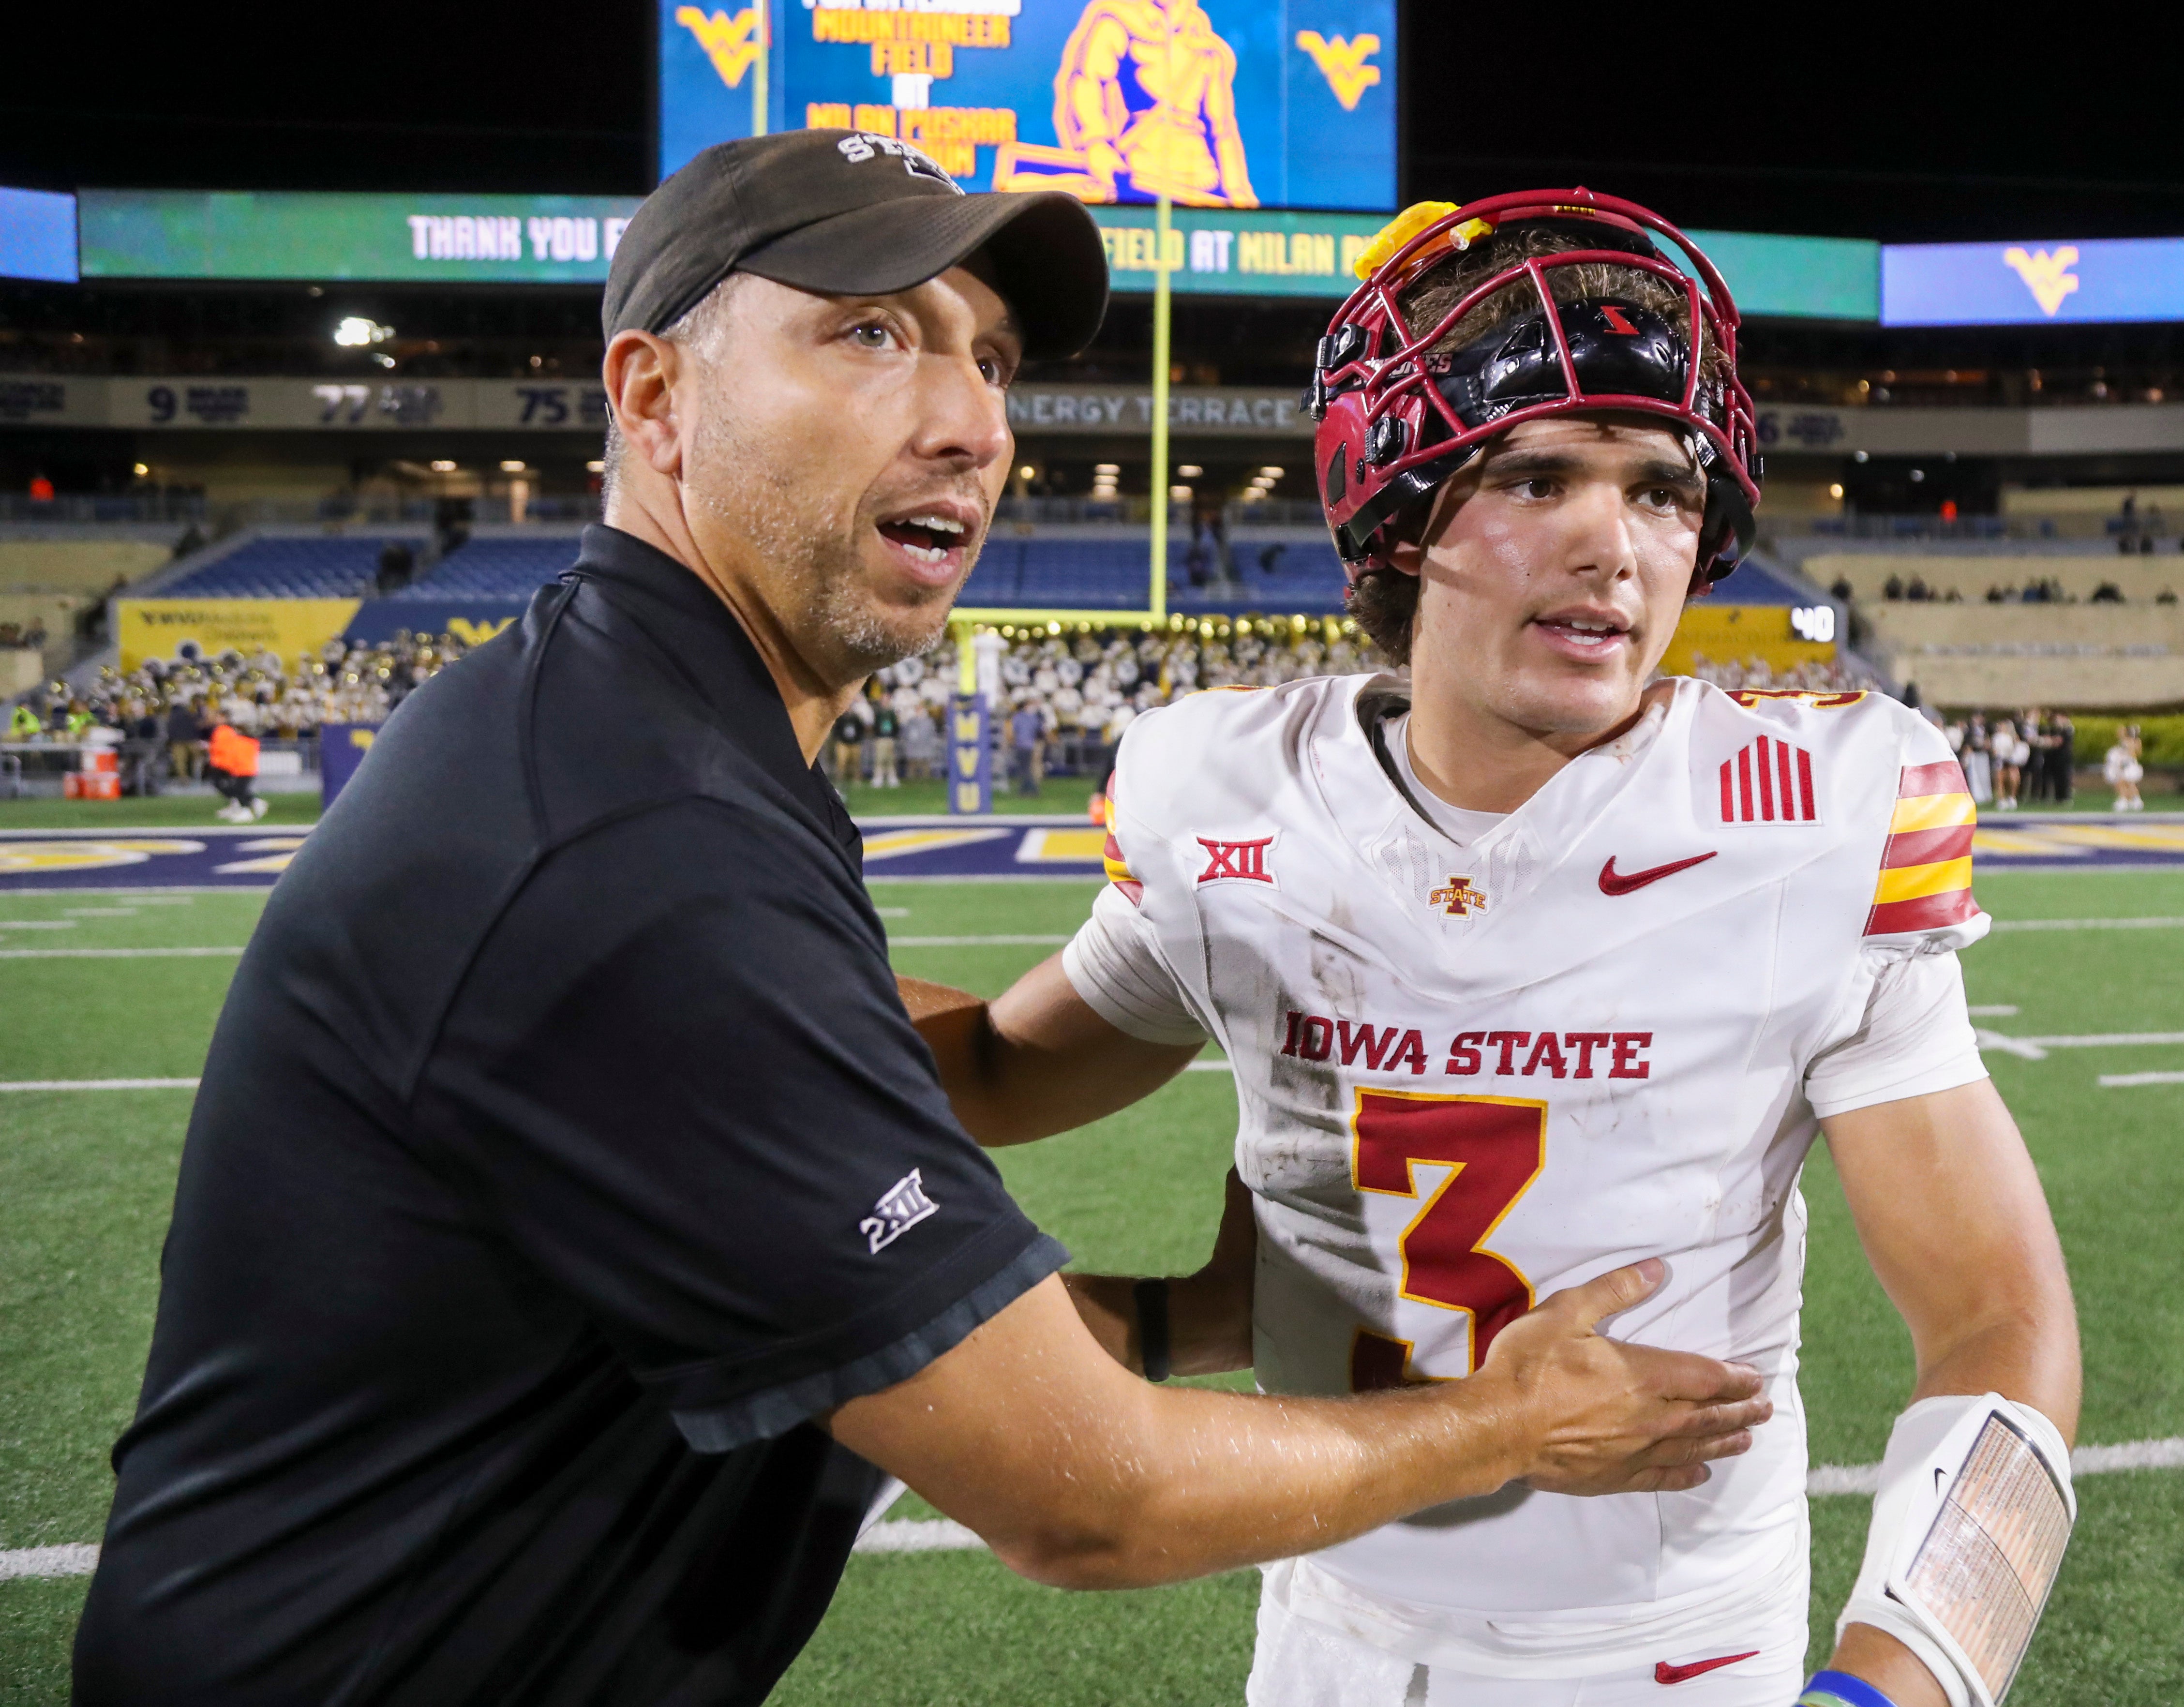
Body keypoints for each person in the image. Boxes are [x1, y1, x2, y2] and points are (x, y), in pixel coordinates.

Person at [73, 135, 1745, 1707]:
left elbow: (833, 1166)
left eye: (993, 358)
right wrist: (1504, 1416)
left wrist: (1216, 1283)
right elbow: (1085, 1495)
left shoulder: (643, 721)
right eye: (872, 334)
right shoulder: (639, 843)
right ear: (653, 401)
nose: (971, 421)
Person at [910, 191, 2081, 1707]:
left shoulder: (1811, 813)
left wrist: (1897, 1686)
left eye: (1663, 488)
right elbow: (999, 1074)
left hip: (1669, 1649)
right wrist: (719, 985)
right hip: (1327, 1616)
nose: (1615, 546)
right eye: (1536, 476)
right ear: (1394, 512)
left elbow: (1999, 1320)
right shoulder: (1227, 796)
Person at [205, 716, 265, 822]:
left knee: (239, 790)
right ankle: (250, 805)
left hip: (244, 770)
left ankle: (247, 810)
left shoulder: (243, 742)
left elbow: (233, 754)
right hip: (243, 770)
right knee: (238, 790)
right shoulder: (245, 741)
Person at [2104, 723, 2145, 812]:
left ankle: (2135, 801)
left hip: (2130, 765)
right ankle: (2127, 800)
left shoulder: (2134, 741)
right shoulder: (2124, 741)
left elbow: (2135, 754)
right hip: (2124, 764)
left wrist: (2129, 751)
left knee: (2129, 783)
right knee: (2122, 783)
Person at [868, 690, 901, 787]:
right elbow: (875, 725)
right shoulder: (878, 712)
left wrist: (894, 735)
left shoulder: (892, 713)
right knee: (880, 758)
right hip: (881, 738)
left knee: (891, 758)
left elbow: (896, 725)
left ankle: (892, 778)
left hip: (890, 738)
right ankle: (878, 778)